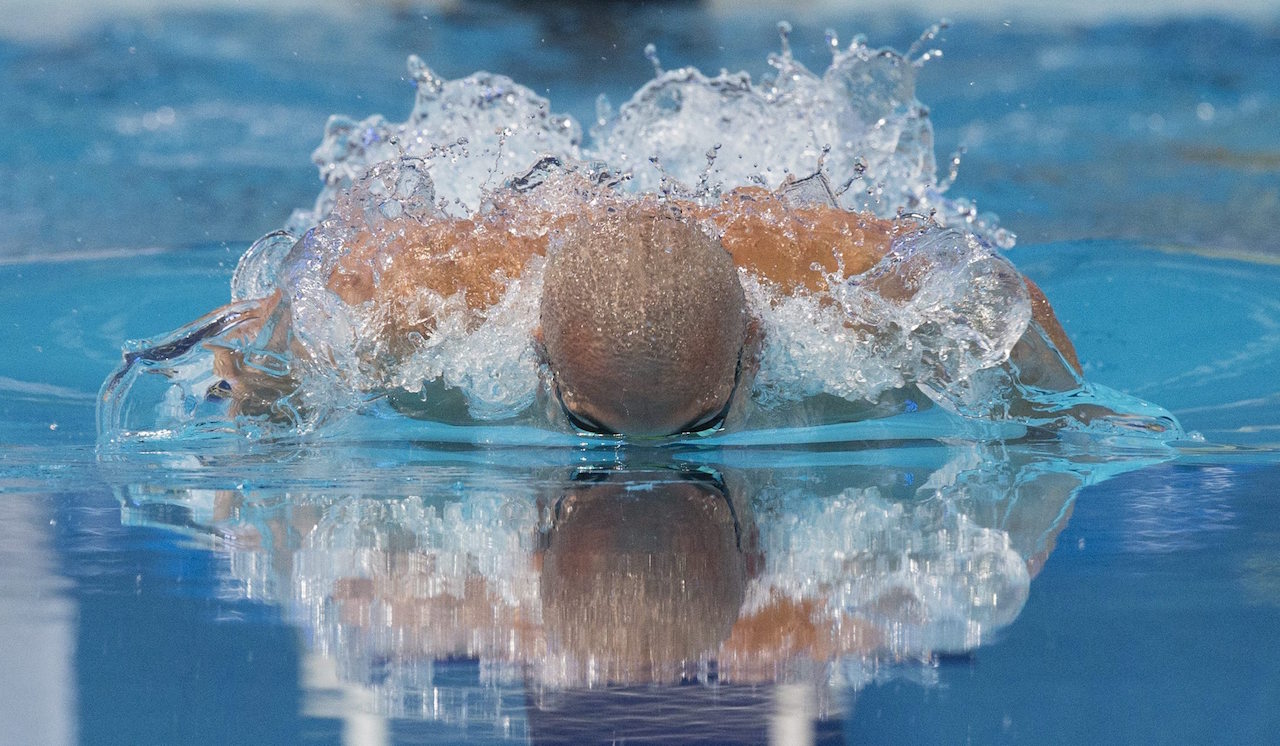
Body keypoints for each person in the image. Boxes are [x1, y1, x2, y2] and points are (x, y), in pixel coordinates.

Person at [206, 178, 1082, 438]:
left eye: (701, 426)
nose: (642, 463)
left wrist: (1063, 417)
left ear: (761, 338)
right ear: (533, 345)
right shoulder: (424, 300)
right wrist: (270, 392)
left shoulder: (843, 292)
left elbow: (996, 297)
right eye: (590, 428)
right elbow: (302, 298)